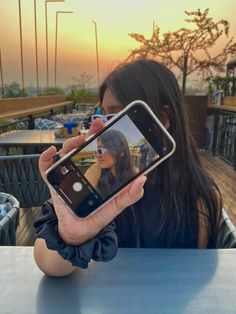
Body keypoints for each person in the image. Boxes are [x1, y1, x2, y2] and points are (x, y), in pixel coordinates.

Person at [34, 59, 222, 277]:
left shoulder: (198, 198)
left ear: (162, 118)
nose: (101, 128)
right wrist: (72, 236)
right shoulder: (94, 180)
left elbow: (195, 273)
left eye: (114, 116)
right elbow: (48, 264)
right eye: (101, 115)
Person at [84, 129, 137, 199]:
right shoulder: (97, 170)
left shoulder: (134, 178)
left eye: (101, 150)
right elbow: (80, 197)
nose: (97, 155)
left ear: (121, 151)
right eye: (97, 151)